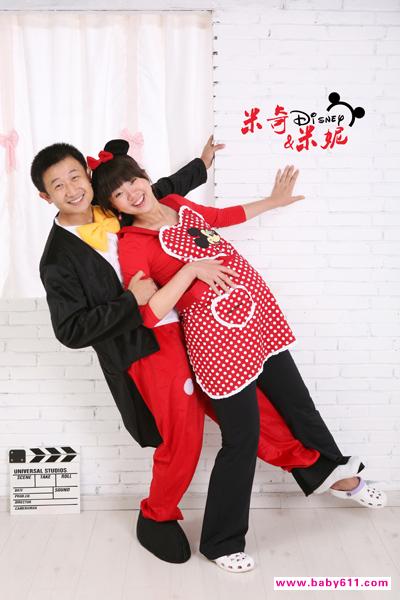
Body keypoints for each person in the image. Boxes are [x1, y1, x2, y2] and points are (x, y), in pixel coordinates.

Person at [91, 139, 387, 573]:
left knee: (298, 405)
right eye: (119, 193)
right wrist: (191, 270)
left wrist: (272, 201)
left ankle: (336, 473)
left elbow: (222, 217)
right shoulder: (133, 242)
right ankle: (221, 541)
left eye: (133, 180)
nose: (132, 192)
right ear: (114, 206)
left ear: (145, 176)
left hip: (258, 320)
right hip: (218, 344)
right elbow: (149, 314)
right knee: (242, 439)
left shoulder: (175, 203)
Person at [31, 136, 323, 567]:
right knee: (184, 433)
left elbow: (162, 187)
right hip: (145, 347)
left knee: (242, 404)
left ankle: (308, 462)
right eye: (58, 185)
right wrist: (130, 301)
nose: (72, 189)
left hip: (192, 326)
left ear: (90, 177)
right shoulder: (57, 259)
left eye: (76, 176)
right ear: (45, 197)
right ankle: (157, 514)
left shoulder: (113, 205)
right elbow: (71, 330)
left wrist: (201, 163)